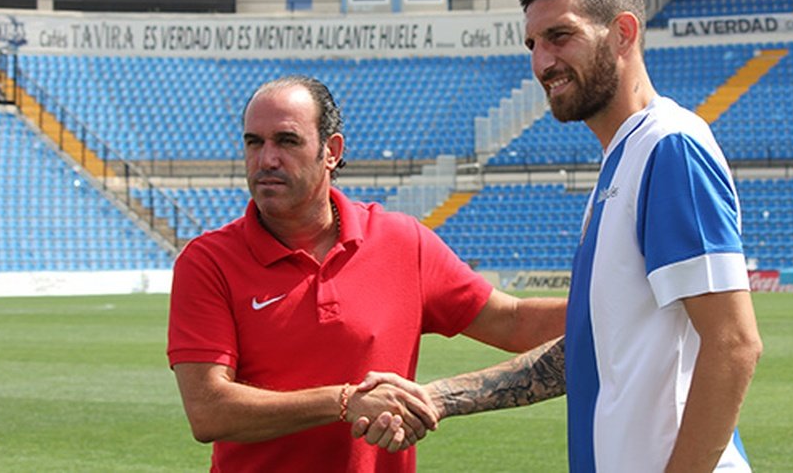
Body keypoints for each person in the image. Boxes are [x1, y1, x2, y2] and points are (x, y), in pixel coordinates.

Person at [354, 0, 764, 473]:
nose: (543, 62)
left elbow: (733, 343)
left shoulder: (670, 147)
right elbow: (591, 349)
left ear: (623, 33)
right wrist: (440, 397)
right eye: (533, 45)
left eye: (560, 36)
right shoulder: (622, 160)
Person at [166, 74, 567, 472]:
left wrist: (614, 303)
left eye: (287, 141)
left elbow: (514, 323)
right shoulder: (208, 261)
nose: (266, 159)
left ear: (331, 151)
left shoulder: (401, 241)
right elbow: (209, 411)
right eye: (254, 142)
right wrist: (344, 401)